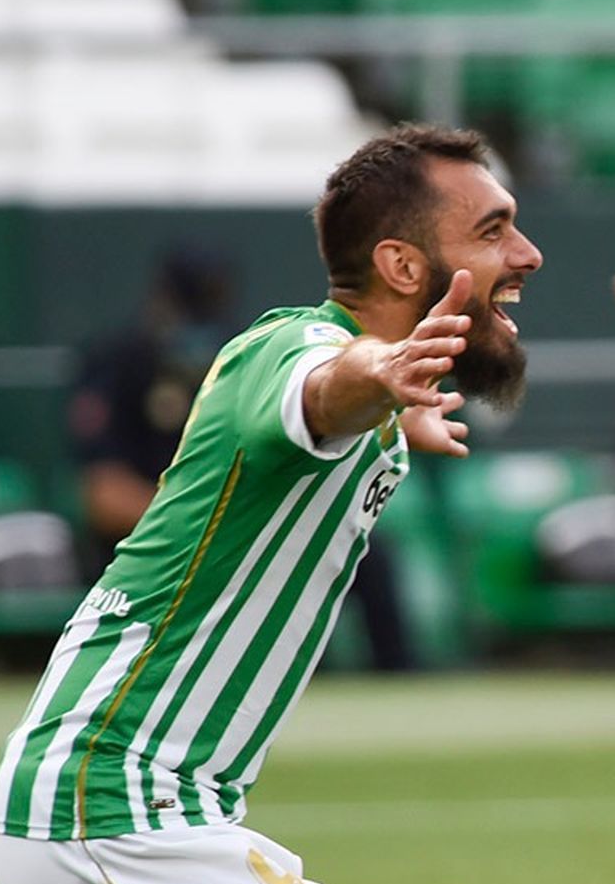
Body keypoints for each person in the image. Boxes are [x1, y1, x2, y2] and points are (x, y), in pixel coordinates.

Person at [0, 123, 541, 884]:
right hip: (117, 809)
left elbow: (344, 402)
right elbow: (324, 381)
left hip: (149, 813)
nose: (529, 252)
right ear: (402, 268)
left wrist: (391, 414)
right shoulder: (286, 352)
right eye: (493, 229)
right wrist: (379, 376)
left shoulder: (360, 398)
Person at [70, 250, 422, 673]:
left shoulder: (244, 349)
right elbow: (104, 496)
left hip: (246, 521)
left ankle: (392, 678)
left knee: (365, 554)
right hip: (164, 533)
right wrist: (211, 520)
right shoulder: (120, 362)